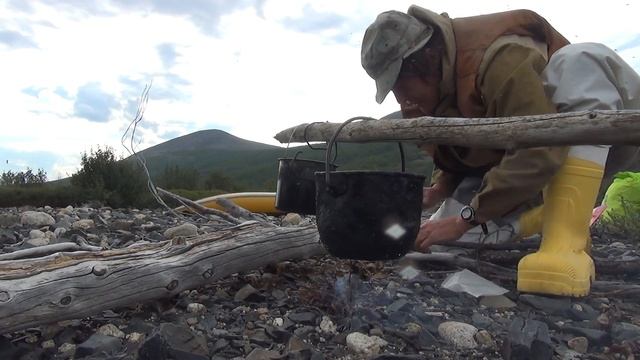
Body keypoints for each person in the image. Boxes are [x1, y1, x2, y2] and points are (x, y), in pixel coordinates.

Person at [361, 5, 640, 297]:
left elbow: (540, 144)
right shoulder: (441, 80)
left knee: (580, 61)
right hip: (527, 170)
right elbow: (459, 146)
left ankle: (565, 244)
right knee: (438, 241)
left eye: (401, 86)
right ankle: (541, 216)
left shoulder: (500, 57)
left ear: (427, 60)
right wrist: (439, 191)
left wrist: (465, 219)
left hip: (605, 138)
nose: (402, 100)